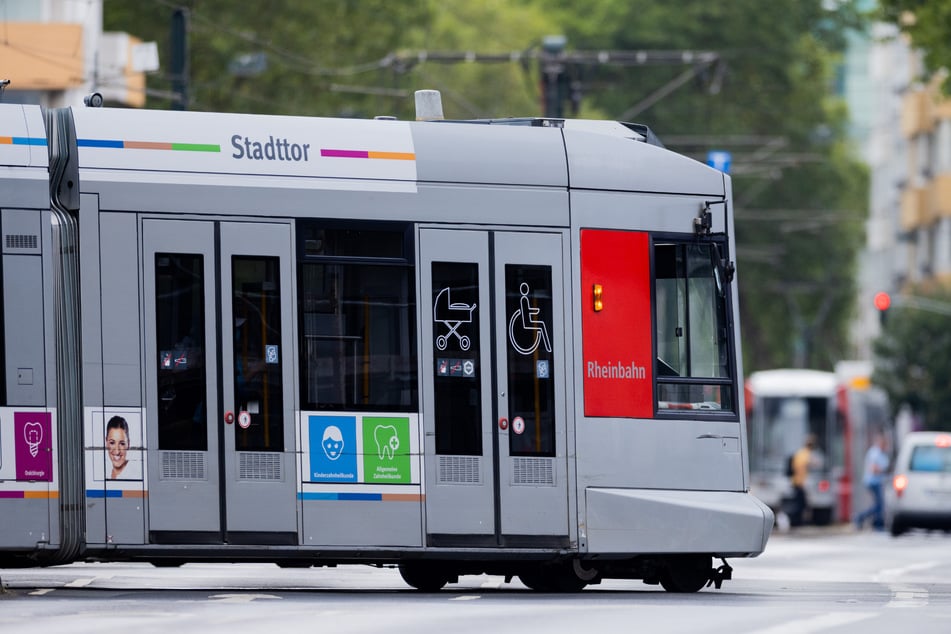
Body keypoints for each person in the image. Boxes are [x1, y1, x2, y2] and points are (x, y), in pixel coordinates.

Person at [855, 433, 890, 531]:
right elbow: (873, 469)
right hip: (873, 481)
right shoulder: (875, 452)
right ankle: (862, 518)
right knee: (879, 504)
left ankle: (876, 523)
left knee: (878, 504)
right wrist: (884, 471)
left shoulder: (880, 453)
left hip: (877, 481)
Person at [788, 433, 821, 527]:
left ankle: (798, 522)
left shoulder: (800, 452)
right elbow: (814, 463)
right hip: (799, 482)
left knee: (800, 503)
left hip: (797, 481)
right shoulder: (805, 454)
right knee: (800, 504)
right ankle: (797, 522)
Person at [105, 415, 130, 479]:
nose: (117, 452)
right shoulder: (106, 474)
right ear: (106, 442)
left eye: (122, 443)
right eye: (112, 443)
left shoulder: (136, 474)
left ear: (128, 444)